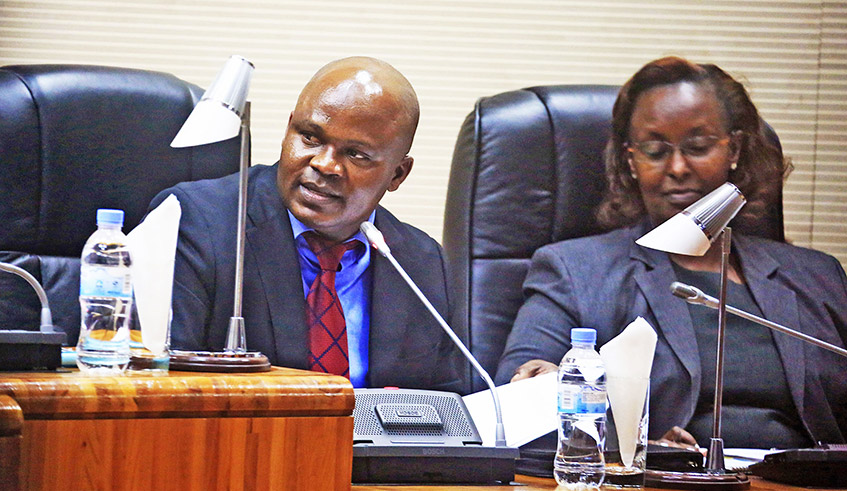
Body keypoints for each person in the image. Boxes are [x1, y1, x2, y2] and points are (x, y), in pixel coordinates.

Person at [495, 56, 847, 449]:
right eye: (655, 150)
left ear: (735, 150)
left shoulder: (820, 278)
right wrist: (630, 444)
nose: (678, 167)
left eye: (698, 146)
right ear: (631, 161)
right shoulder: (575, 270)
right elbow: (520, 394)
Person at [150, 56, 464, 392]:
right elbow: (165, 388)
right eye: (311, 137)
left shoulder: (422, 263)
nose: (324, 164)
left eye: (356, 154)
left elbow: (450, 408)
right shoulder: (195, 223)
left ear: (398, 174)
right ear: (288, 130)